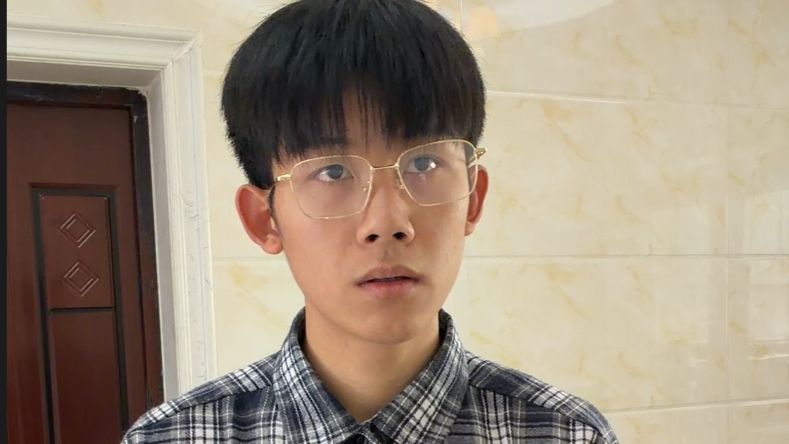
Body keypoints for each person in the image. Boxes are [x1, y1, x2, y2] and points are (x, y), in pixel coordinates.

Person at [122, 0, 619, 442]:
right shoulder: (173, 438)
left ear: (472, 198)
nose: (387, 222)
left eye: (424, 163)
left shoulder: (565, 434)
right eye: (333, 172)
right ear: (264, 220)